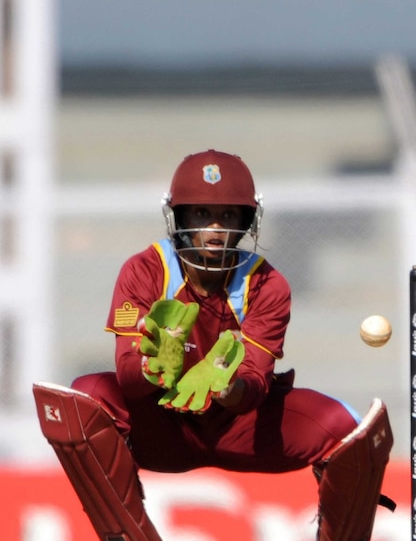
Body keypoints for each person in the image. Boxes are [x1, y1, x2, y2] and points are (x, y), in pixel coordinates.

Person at [33, 149, 393, 541]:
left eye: (227, 216)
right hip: (163, 426)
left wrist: (229, 387)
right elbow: (127, 376)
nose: (215, 229)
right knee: (84, 396)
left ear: (245, 223)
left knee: (350, 429)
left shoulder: (267, 284)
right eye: (202, 215)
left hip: (241, 428)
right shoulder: (144, 270)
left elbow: (255, 385)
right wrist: (155, 368)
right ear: (181, 219)